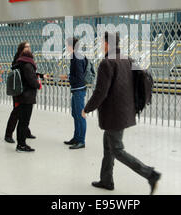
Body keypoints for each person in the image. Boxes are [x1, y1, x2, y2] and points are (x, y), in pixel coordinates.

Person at [82, 32, 161, 195]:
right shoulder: (127, 59)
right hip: (125, 111)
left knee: (117, 149)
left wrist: (86, 108)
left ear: (106, 44)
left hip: (114, 115)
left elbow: (100, 92)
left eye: (102, 42)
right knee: (108, 146)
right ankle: (106, 180)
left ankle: (150, 174)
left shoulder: (106, 63)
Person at [5, 42, 42, 152]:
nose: (29, 49)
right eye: (27, 47)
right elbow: (31, 80)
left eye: (29, 47)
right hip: (26, 96)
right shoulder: (27, 64)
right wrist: (38, 84)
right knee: (23, 120)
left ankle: (22, 140)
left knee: (22, 119)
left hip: (21, 95)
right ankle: (20, 144)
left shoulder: (20, 62)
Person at [60, 37, 87, 150]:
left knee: (80, 115)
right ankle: (76, 138)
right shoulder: (78, 55)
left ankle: (81, 140)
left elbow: (79, 76)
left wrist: (70, 78)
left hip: (78, 89)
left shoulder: (76, 57)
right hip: (77, 89)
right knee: (75, 114)